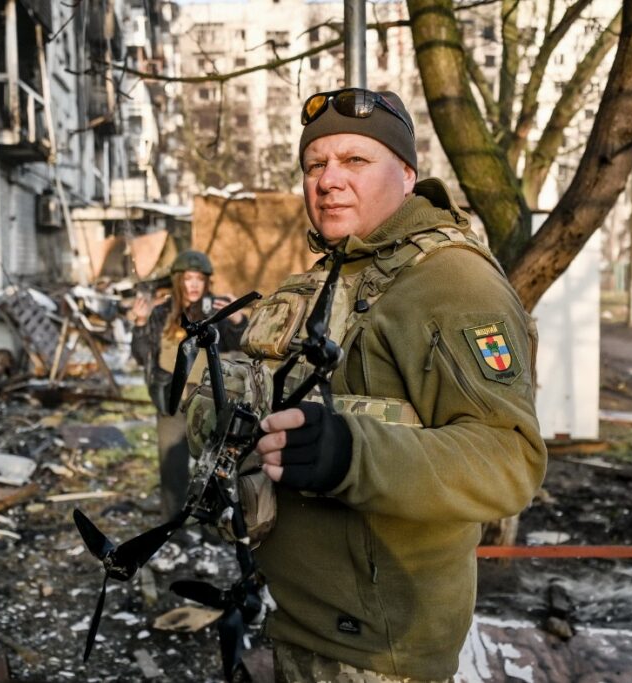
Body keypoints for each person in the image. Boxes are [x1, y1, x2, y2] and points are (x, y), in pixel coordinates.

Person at [243, 88, 548, 681]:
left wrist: (349, 453)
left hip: (379, 657)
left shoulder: (450, 282)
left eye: (355, 160)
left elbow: (511, 459)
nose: (328, 180)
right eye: (314, 164)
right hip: (304, 624)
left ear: (407, 175)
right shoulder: (344, 270)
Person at [130, 250, 247, 522]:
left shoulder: (216, 312)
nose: (193, 284)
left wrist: (239, 321)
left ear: (206, 281)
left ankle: (212, 524)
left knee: (214, 467)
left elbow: (239, 344)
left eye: (199, 279)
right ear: (177, 280)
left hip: (208, 403)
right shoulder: (162, 313)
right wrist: (140, 323)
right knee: (172, 470)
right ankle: (173, 526)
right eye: (187, 278)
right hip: (171, 403)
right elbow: (141, 354)